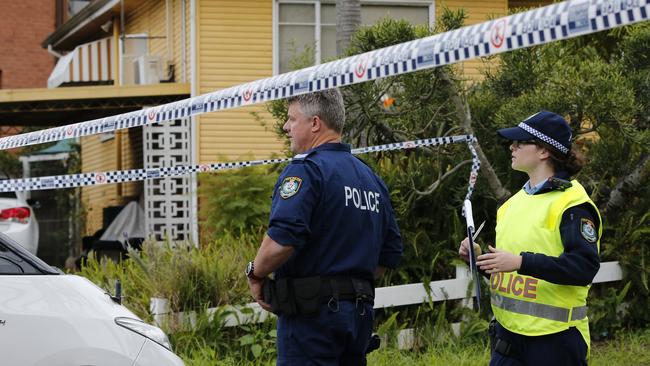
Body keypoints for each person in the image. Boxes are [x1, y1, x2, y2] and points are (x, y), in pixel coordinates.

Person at [246, 89, 403, 365]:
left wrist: (255, 273)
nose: (286, 127)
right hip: (358, 315)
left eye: (292, 119)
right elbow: (387, 256)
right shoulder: (371, 179)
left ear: (315, 123)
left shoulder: (307, 170)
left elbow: (282, 240)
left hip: (312, 318)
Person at [458, 111, 601, 366]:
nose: (511, 147)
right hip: (507, 339)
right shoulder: (511, 206)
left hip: (555, 343)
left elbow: (583, 268)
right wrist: (481, 260)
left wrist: (521, 262)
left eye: (520, 142)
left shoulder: (573, 204)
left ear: (544, 151)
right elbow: (511, 274)